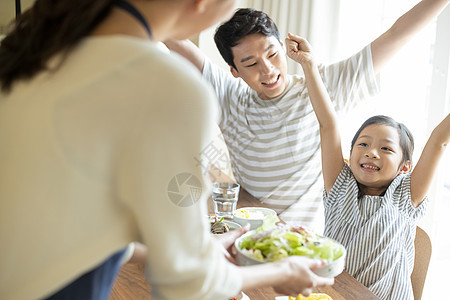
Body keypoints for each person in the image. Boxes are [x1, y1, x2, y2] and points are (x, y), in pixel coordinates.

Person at [0, 1, 334, 300]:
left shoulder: (30, 51)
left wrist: (167, 251)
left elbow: (68, 218)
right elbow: (187, 284)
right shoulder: (168, 88)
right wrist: (283, 272)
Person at [165, 0, 450, 230]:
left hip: (305, 244)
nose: (267, 70)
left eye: (272, 54)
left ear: (283, 47)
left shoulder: (323, 87)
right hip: (247, 233)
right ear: (234, 71)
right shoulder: (229, 95)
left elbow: (397, 34)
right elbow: (167, 34)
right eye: (250, 63)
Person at [285, 32, 450, 300]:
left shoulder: (405, 196)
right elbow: (328, 125)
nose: (372, 152)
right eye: (363, 144)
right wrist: (309, 66)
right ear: (350, 154)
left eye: (386, 148)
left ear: (404, 167)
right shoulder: (340, 185)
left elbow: (438, 141)